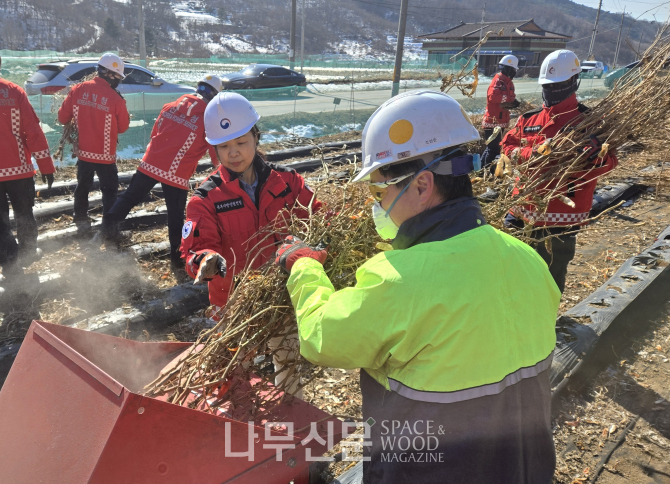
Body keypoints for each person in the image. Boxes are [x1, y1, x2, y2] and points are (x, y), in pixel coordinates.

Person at [275, 90, 560, 483]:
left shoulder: (397, 280)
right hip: (525, 470)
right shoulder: (526, 259)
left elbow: (319, 338)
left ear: (422, 185)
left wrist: (303, 266)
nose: (376, 204)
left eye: (379, 191)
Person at [181, 91, 322, 312]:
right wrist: (205, 260)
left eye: (241, 142)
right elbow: (196, 249)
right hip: (237, 306)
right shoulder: (206, 199)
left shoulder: (288, 182)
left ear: (256, 137)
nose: (233, 153)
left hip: (288, 296)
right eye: (224, 146)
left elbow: (320, 220)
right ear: (214, 148)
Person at [500, 49, 618, 292]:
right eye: (547, 85)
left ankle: (543, 327)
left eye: (559, 85)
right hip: (520, 209)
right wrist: (530, 155)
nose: (552, 91)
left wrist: (593, 159)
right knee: (508, 273)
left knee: (547, 281)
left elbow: (610, 162)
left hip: (558, 217)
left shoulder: (590, 123)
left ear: (574, 82)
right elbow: (507, 145)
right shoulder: (529, 119)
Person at [92, 75, 223, 274]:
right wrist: (222, 173)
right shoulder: (208, 119)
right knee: (176, 216)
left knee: (128, 199)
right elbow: (215, 153)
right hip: (177, 172)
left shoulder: (170, 106)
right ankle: (177, 259)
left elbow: (155, 133)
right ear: (214, 96)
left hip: (150, 163)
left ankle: (104, 232)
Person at [58, 53, 130, 233]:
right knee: (110, 192)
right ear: (111, 75)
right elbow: (123, 127)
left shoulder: (77, 90)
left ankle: (81, 220)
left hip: (84, 153)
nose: (118, 81)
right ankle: (109, 228)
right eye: (118, 77)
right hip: (105, 156)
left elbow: (62, 117)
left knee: (82, 187)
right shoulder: (116, 98)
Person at [0, 55, 55, 275]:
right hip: (19, 170)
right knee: (24, 213)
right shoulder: (14, 92)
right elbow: (33, 132)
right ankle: (29, 251)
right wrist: (46, 166)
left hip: (18, 170)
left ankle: (8, 257)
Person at [481, 55, 520, 169]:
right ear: (508, 68)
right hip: (492, 121)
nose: (514, 72)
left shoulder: (509, 82)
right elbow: (492, 96)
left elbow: (510, 96)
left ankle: (481, 169)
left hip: (501, 120)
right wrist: (508, 100)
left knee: (492, 148)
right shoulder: (498, 80)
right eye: (513, 69)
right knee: (493, 149)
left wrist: (512, 103)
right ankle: (485, 171)